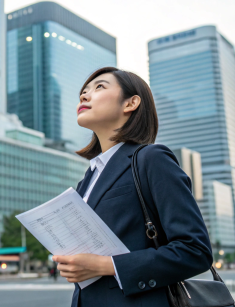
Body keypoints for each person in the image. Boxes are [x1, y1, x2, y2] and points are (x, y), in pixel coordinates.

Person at [51, 67, 213, 306]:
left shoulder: (151, 158)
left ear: (131, 103)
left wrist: (107, 265)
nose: (84, 96)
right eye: (83, 92)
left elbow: (195, 250)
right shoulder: (90, 177)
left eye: (99, 87)